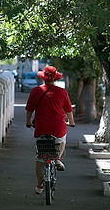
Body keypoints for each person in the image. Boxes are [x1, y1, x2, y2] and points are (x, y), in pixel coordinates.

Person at [25, 66, 75, 194]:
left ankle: (39, 186)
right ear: (55, 79)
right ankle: (57, 157)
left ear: (43, 78)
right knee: (62, 140)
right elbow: (68, 110)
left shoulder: (35, 91)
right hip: (58, 127)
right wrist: (71, 122)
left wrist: (29, 122)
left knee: (40, 157)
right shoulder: (62, 92)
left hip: (41, 128)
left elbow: (29, 110)